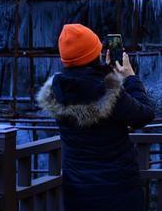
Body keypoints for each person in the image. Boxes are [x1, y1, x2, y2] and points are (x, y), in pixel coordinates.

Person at [37, 23, 154, 211]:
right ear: (94, 55)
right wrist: (130, 78)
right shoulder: (108, 91)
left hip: (78, 193)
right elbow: (144, 115)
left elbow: (84, 85)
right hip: (119, 192)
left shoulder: (58, 91)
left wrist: (105, 73)